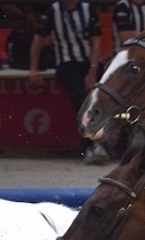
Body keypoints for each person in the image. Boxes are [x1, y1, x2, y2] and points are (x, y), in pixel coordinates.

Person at [28, 0, 105, 164]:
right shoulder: (53, 11)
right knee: (82, 101)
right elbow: (38, 40)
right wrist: (33, 69)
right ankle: (92, 146)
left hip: (88, 62)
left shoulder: (87, 9)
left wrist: (92, 72)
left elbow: (97, 42)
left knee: (104, 98)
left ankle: (99, 145)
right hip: (66, 64)